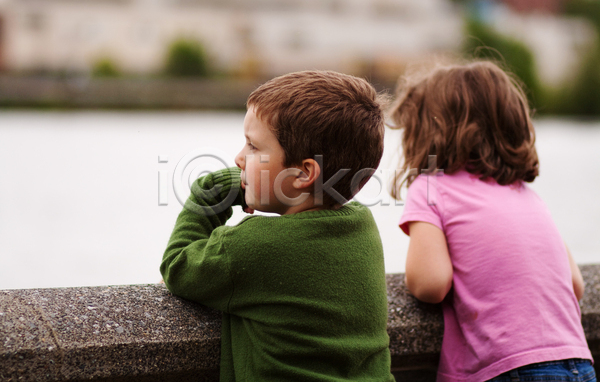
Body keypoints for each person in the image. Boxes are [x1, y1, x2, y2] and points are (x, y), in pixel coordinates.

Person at [161, 70, 395, 381]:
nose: (239, 158)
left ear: (302, 174)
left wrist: (212, 191)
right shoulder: (362, 228)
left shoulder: (254, 245)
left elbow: (177, 267)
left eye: (253, 147)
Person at [388, 60, 595, 382]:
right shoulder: (525, 194)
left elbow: (430, 284)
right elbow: (576, 285)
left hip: (508, 369)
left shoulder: (431, 188)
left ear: (425, 131)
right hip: (577, 362)